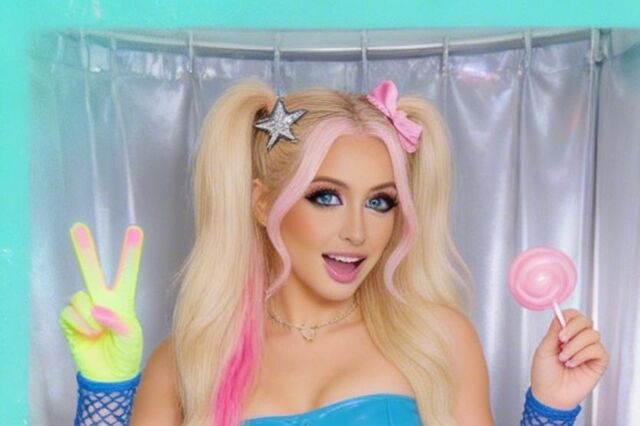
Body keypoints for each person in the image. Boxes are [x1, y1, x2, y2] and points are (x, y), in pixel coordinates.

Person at [59, 79, 609, 426]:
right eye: (326, 197)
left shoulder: (436, 338)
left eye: (380, 202)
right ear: (261, 202)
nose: (357, 231)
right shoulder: (188, 359)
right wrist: (106, 392)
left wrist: (552, 407)